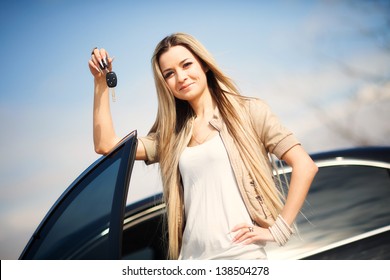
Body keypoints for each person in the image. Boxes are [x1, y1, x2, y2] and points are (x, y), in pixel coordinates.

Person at [88, 32, 318, 260]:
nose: (181, 77)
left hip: (241, 257)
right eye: (169, 74)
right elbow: (107, 145)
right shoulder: (171, 137)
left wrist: (278, 230)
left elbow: (305, 166)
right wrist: (100, 83)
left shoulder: (250, 112)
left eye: (186, 65)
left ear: (204, 65)